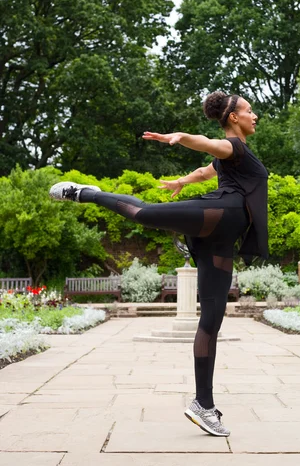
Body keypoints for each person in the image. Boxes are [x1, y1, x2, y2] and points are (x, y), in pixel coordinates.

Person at [49, 91, 268, 437]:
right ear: (233, 119)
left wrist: (182, 181)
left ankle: (204, 405)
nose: (255, 116)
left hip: (222, 239)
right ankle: (84, 193)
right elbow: (210, 146)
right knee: (144, 213)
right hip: (220, 215)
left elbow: (206, 169)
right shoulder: (233, 147)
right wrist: (180, 138)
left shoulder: (237, 157)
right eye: (249, 111)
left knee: (211, 321)